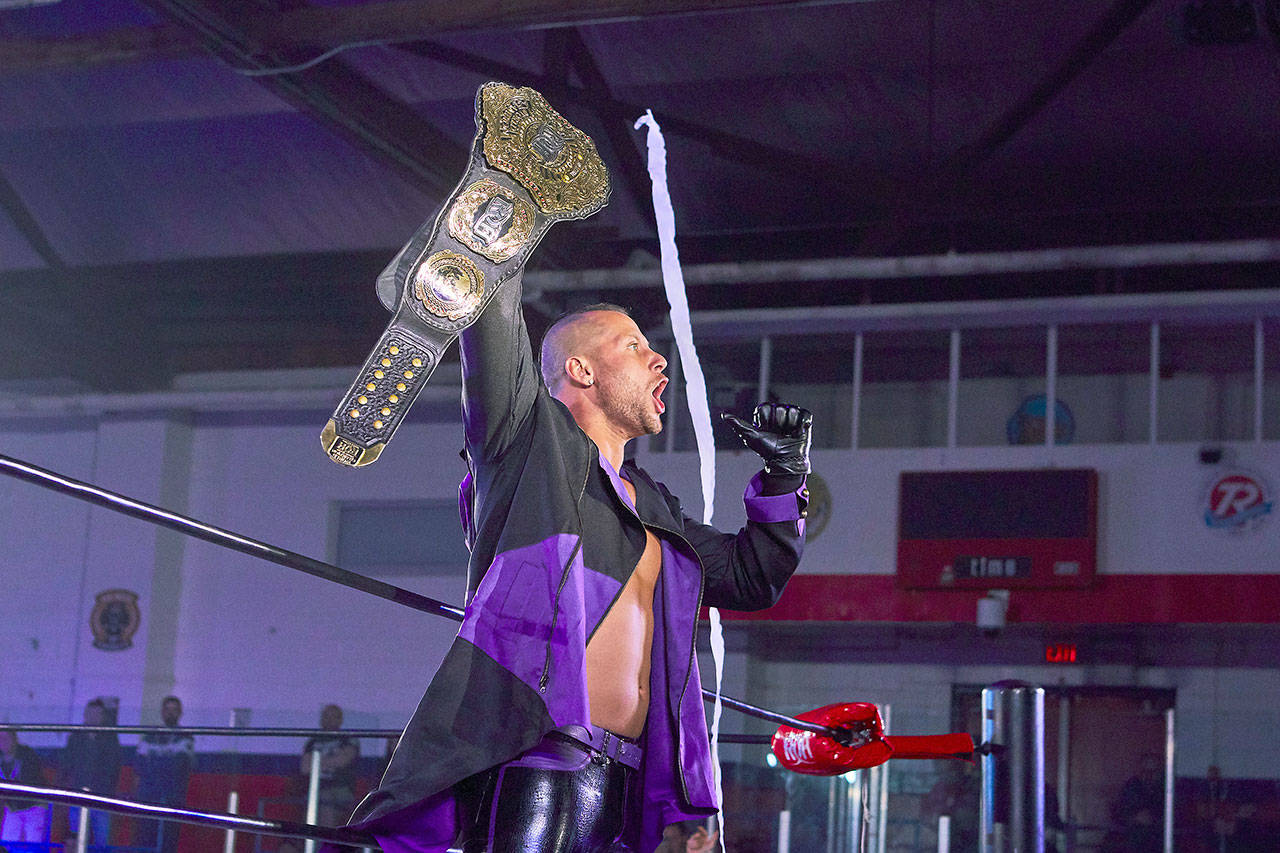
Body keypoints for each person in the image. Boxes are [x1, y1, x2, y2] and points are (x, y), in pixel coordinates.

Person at [342, 281, 811, 853]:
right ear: (581, 370)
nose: (658, 356)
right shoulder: (528, 447)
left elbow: (751, 577)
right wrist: (499, 227)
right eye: (633, 345)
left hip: (624, 782)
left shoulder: (653, 503)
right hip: (539, 760)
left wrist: (786, 476)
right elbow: (492, 325)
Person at [135, 695, 195, 853]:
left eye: (174, 710)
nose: (170, 713)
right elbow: (139, 765)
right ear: (162, 712)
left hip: (173, 799)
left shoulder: (186, 736)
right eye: (167, 709)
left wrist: (155, 760)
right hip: (149, 798)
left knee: (169, 841)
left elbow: (180, 766)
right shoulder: (150, 735)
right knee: (146, 840)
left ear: (180, 713)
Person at [62, 698, 122, 847]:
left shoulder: (110, 738)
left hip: (102, 798)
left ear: (103, 716)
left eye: (97, 714)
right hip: (77, 796)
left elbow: (114, 768)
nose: (94, 717)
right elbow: (66, 766)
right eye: (91, 713)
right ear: (85, 715)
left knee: (102, 843)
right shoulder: (76, 738)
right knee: (76, 840)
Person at [300, 705, 359, 828]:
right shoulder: (313, 741)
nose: (329, 720)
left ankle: (323, 844)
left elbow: (343, 761)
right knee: (319, 800)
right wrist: (331, 760)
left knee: (326, 800)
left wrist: (316, 761)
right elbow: (305, 768)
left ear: (340, 720)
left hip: (341, 789)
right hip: (313, 790)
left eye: (333, 716)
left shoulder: (348, 739)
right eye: (326, 716)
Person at [0, 730, 50, 845]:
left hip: (33, 806)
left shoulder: (27, 755)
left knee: (33, 843)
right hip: (13, 807)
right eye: (0, 739)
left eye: (6, 738)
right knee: (7, 842)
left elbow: (32, 780)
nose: (3, 742)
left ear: (14, 739)